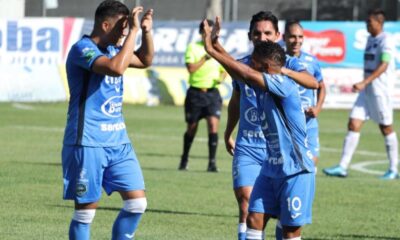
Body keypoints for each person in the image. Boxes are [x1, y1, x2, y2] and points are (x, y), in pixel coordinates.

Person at [202, 17, 315, 240]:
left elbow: (246, 73)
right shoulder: (261, 77)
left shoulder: (283, 84)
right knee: (253, 217)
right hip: (269, 167)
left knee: (291, 231)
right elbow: (241, 71)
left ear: (263, 68)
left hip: (294, 168)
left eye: (253, 63)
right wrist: (215, 45)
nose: (249, 64)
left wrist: (211, 51)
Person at [61, 1, 154, 239]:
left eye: (127, 27)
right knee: (86, 214)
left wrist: (145, 31)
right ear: (105, 25)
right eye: (122, 27)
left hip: (118, 143)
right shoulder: (83, 49)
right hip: (88, 142)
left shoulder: (116, 49)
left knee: (137, 204)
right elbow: (115, 69)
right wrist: (133, 32)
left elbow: (144, 60)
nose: (124, 31)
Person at [323, 9, 399, 180]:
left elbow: (384, 64)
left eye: (369, 22)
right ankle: (342, 167)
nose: (367, 24)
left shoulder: (386, 40)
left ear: (379, 23)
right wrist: (365, 85)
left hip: (380, 91)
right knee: (353, 123)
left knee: (386, 127)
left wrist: (364, 82)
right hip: (367, 91)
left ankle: (393, 169)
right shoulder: (371, 38)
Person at [178, 19, 226, 172]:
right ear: (201, 33)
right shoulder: (193, 48)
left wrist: (221, 78)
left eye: (211, 32)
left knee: (213, 126)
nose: (209, 35)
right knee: (192, 128)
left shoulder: (218, 49)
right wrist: (205, 57)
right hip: (195, 93)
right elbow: (191, 69)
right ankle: (184, 158)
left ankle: (212, 163)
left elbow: (224, 69)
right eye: (206, 32)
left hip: (212, 94)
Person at [283, 20, 326, 166]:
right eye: (292, 36)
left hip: (309, 122)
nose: (297, 41)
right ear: (284, 37)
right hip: (286, 123)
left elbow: (321, 86)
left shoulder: (311, 61)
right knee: (289, 165)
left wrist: (317, 108)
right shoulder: (278, 62)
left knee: (311, 162)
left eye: (300, 37)